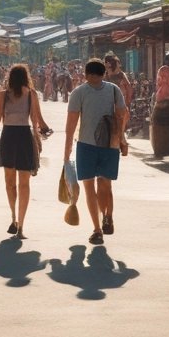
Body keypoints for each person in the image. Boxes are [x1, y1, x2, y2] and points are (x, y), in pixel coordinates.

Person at [64, 58, 128, 245]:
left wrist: (67, 149)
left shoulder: (78, 93)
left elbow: (71, 124)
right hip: (109, 145)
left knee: (89, 188)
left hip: (86, 145)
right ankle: (107, 216)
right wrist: (121, 138)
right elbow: (122, 114)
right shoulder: (114, 90)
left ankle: (97, 229)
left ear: (85, 74)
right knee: (105, 184)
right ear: (104, 73)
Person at [0, 63, 48, 239]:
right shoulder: (31, 94)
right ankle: (21, 225)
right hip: (24, 137)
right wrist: (37, 140)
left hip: (8, 137)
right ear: (26, 77)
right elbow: (35, 121)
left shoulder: (3, 95)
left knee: (10, 182)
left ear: (10, 77)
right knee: (24, 183)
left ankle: (13, 217)